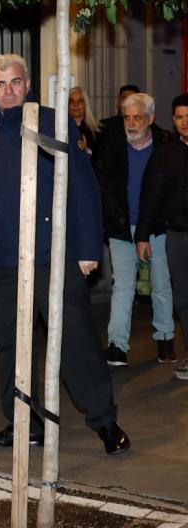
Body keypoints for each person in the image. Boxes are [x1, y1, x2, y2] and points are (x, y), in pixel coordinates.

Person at [0, 53, 130, 455]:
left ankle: (104, 420)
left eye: (15, 82)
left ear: (27, 83)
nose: (8, 91)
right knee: (12, 344)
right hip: (2, 259)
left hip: (54, 253)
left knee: (75, 338)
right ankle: (24, 422)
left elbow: (84, 188)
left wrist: (87, 249)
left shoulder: (53, 123)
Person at [95, 92, 174, 367]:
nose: (131, 123)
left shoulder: (165, 146)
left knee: (161, 284)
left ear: (150, 118)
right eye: (127, 117)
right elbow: (104, 184)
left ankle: (165, 339)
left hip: (157, 228)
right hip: (121, 227)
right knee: (123, 287)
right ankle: (117, 345)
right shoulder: (113, 145)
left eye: (137, 117)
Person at [139, 94, 188, 380]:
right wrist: (142, 235)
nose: (184, 122)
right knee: (182, 298)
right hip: (178, 236)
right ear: (173, 119)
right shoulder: (165, 153)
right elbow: (151, 196)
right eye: (180, 117)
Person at [70, 86, 103, 156]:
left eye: (80, 101)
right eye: (71, 101)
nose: (75, 105)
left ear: (86, 105)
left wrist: (87, 151)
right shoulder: (61, 131)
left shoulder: (98, 132)